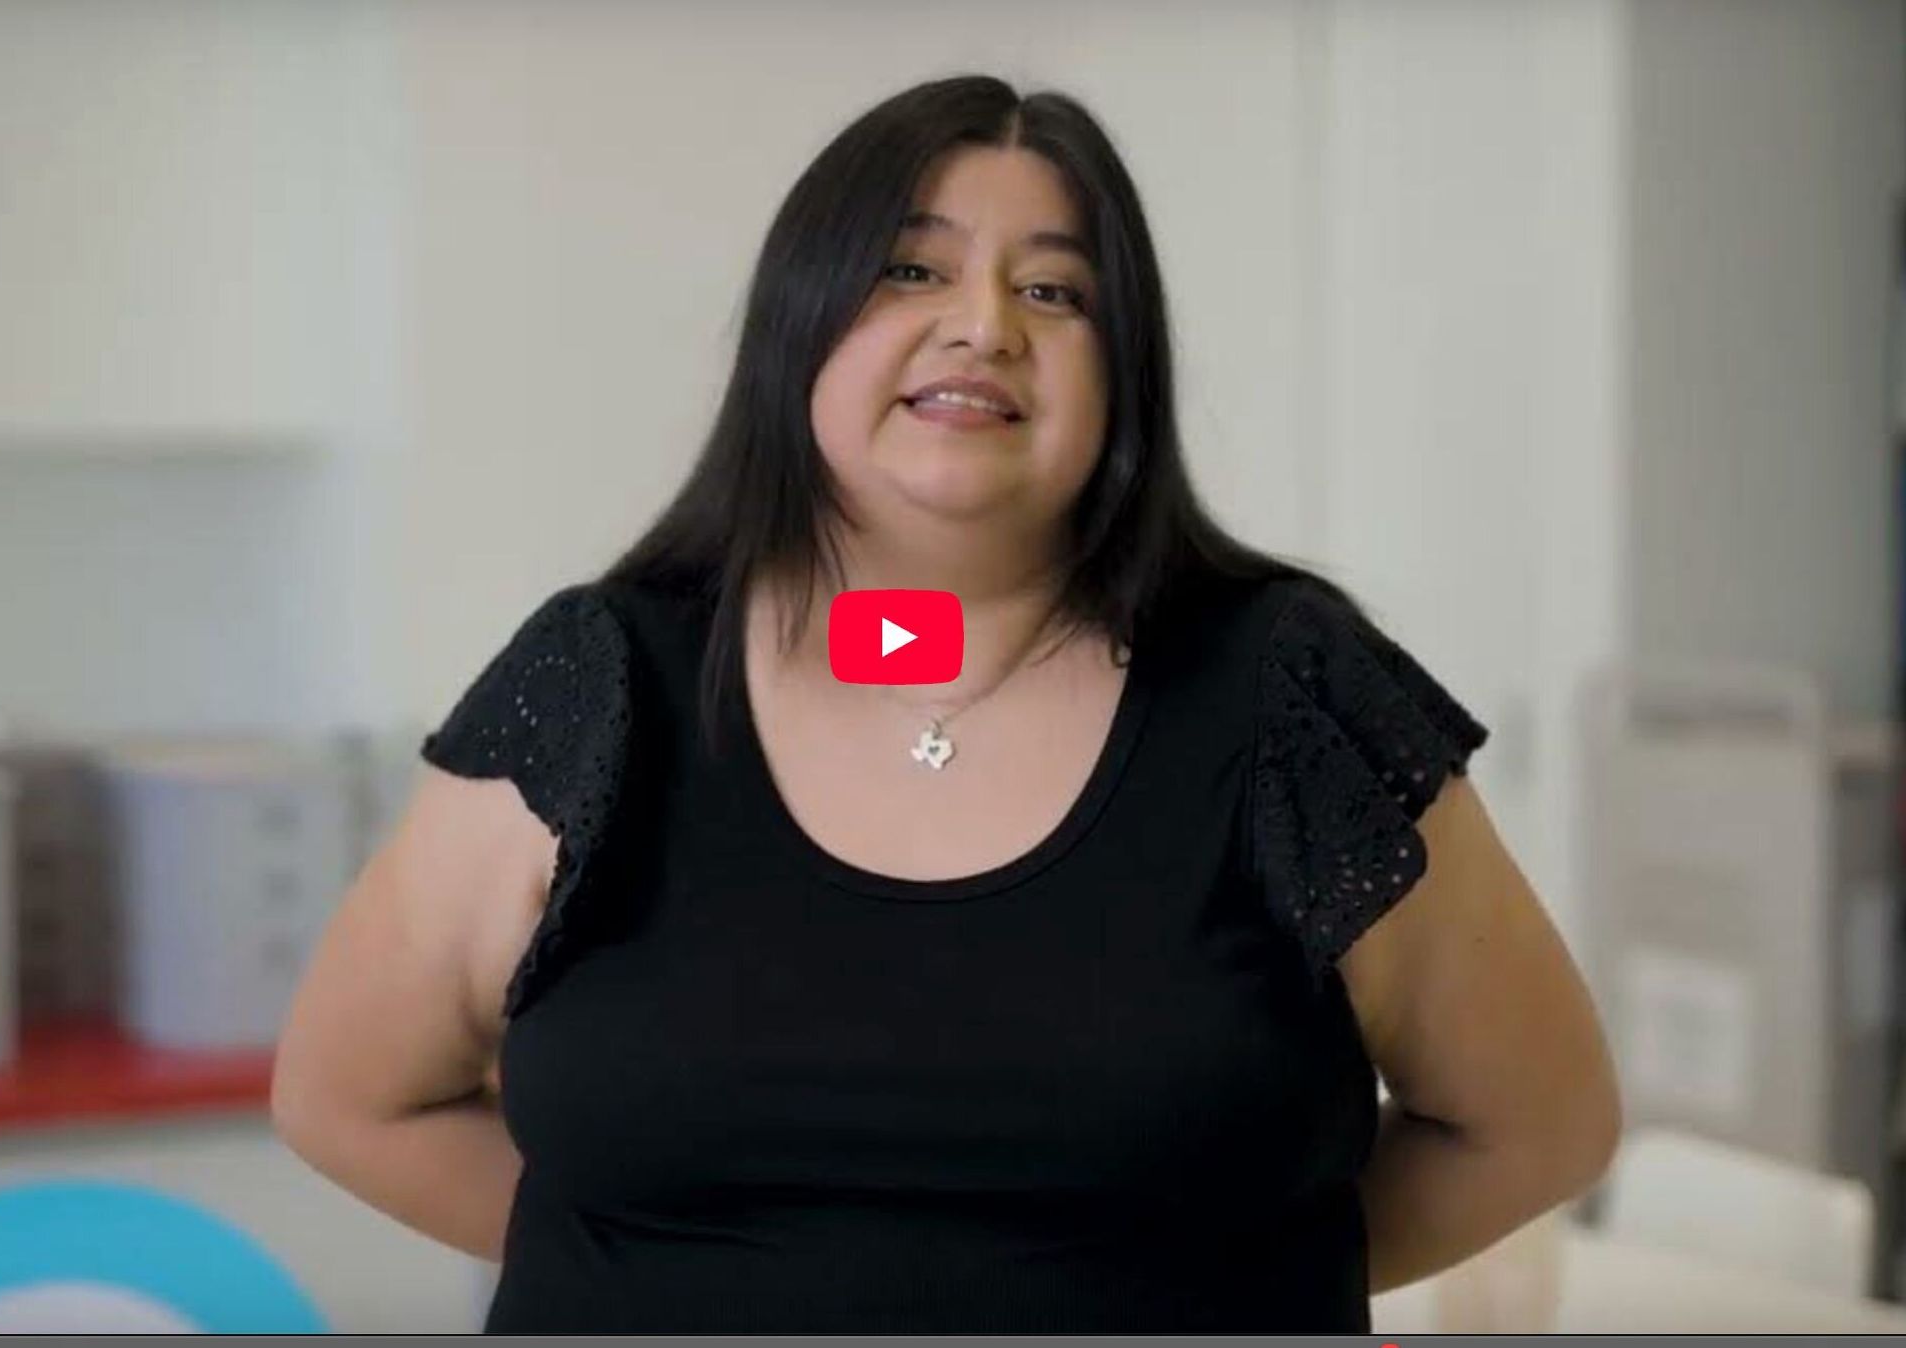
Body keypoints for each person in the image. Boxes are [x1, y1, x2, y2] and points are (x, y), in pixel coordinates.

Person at [270, 74, 1621, 1333]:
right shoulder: (604, 683)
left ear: (1123, 378)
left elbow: (1536, 1123)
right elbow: (351, 1097)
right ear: (798, 323)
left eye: (1055, 291)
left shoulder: (1289, 690)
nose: (984, 323)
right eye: (912, 268)